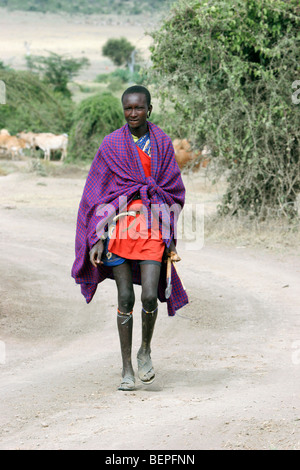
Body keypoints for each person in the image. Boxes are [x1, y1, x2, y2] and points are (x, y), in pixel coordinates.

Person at [72, 85, 188, 391]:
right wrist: (97, 236)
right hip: (118, 228)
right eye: (128, 108)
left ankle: (145, 350)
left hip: (151, 226)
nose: (133, 113)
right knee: (125, 297)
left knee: (150, 295)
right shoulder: (111, 144)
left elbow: (173, 188)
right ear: (123, 109)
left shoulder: (161, 143)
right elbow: (97, 193)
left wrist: (170, 231)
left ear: (149, 109)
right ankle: (126, 368)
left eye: (138, 108)